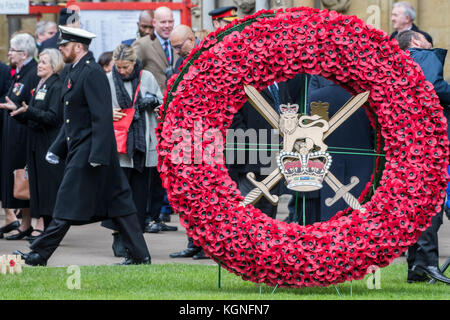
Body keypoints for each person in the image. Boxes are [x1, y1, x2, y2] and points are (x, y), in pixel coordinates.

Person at [14, 26, 151, 266]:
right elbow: (72, 119)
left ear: (78, 47)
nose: (61, 49)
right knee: (120, 203)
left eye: (64, 46)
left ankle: (40, 253)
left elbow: (101, 117)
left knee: (65, 203)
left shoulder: (92, 72)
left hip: (91, 152)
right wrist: (57, 149)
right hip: (84, 149)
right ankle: (141, 255)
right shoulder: (74, 71)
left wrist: (98, 154)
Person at [396, 30, 450, 285]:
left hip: (412, 145)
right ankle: (427, 263)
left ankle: (416, 267)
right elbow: (434, 88)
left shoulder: (401, 63)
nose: (431, 41)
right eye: (424, 38)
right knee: (431, 206)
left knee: (419, 205)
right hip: (429, 145)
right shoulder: (421, 55)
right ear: (415, 42)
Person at [102, 44, 163, 257]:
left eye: (125, 67)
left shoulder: (147, 78)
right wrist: (108, 112)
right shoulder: (108, 80)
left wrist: (154, 102)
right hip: (119, 148)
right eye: (118, 67)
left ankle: (135, 239)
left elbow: (162, 106)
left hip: (142, 146)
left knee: (139, 196)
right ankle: (119, 235)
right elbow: (98, 108)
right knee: (119, 195)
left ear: (134, 62)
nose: (121, 71)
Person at [287, 76, 374, 224]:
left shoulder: (316, 97)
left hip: (325, 169)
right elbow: (375, 137)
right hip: (362, 172)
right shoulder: (369, 99)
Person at [0, 49, 65, 243]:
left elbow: (53, 117)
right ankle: (33, 224)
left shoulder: (56, 85)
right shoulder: (40, 84)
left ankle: (45, 225)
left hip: (48, 142)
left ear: (54, 65)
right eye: (39, 61)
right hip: (35, 141)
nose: (40, 64)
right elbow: (34, 115)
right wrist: (19, 112)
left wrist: (28, 111)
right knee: (36, 185)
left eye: (44, 62)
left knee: (47, 186)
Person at [168, 25, 207, 260]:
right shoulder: (182, 60)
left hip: (207, 136)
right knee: (188, 192)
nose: (177, 51)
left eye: (179, 46)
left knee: (204, 192)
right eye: (173, 47)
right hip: (185, 135)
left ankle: (206, 244)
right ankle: (193, 241)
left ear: (192, 39)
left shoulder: (209, 56)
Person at [0, 33, 40, 241]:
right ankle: (25, 224)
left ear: (24, 54)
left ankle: (36, 224)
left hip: (24, 136)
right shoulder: (20, 73)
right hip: (13, 134)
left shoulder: (32, 73)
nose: (9, 53)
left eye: (12, 50)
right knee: (18, 181)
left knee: (26, 180)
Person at [133, 6, 178, 93]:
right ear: (154, 23)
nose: (167, 25)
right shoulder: (142, 44)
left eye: (170, 22)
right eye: (163, 22)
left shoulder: (179, 42)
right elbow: (131, 72)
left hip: (178, 99)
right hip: (156, 101)